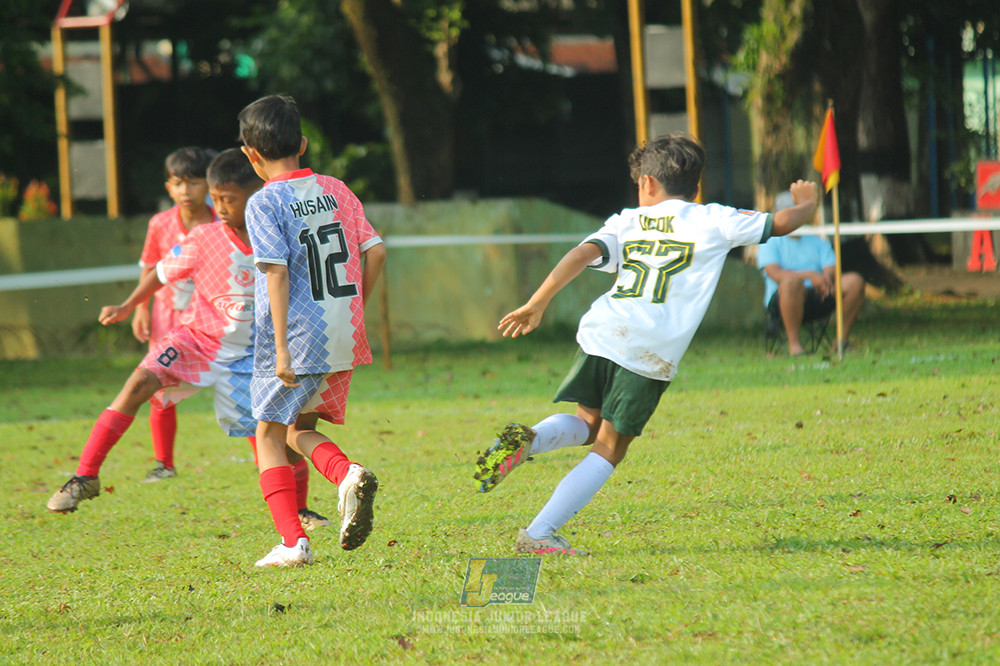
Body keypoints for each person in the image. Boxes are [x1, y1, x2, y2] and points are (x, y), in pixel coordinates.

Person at [473, 133, 820, 555]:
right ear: (695, 186)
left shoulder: (627, 221)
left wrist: (537, 302)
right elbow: (780, 223)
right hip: (648, 351)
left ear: (648, 183)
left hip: (601, 332)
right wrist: (807, 204)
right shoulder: (714, 219)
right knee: (609, 448)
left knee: (587, 423)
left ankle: (526, 439)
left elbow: (581, 255)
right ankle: (539, 533)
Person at [45, 149, 333, 531]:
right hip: (195, 340)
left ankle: (300, 510)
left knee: (275, 438)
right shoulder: (203, 237)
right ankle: (85, 476)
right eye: (216, 198)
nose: (220, 207)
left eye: (228, 199)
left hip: (252, 356)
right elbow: (161, 272)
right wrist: (129, 304)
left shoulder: (279, 237)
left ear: (256, 196)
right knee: (138, 384)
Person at [238, 94, 387, 567]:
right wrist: (355, 310)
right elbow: (377, 251)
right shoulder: (337, 189)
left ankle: (292, 542)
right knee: (298, 428)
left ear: (250, 154)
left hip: (297, 335)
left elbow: (277, 272)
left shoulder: (264, 202)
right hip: (343, 328)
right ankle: (347, 475)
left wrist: (281, 349)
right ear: (302, 143)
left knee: (267, 433)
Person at [133, 147, 216, 482]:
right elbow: (149, 268)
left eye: (194, 183)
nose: (186, 191)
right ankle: (164, 464)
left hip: (214, 319)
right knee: (159, 391)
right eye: (179, 183)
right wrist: (141, 308)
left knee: (240, 385)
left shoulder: (223, 221)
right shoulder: (160, 224)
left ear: (209, 184)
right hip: (167, 317)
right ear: (168, 187)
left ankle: (262, 459)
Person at [757, 191, 865, 356]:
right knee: (791, 283)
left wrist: (825, 279)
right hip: (783, 298)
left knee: (854, 282)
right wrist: (810, 275)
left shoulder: (817, 241)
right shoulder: (770, 242)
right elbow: (775, 274)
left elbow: (830, 267)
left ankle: (840, 341)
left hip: (819, 294)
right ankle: (795, 346)